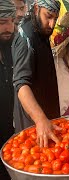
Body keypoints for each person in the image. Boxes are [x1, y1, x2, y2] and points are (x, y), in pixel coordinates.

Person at [12, 0, 61, 148]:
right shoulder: (26, 38)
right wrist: (40, 119)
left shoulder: (39, 31)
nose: (52, 24)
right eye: (48, 16)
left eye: (55, 19)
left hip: (47, 120)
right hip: (33, 126)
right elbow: (21, 85)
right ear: (36, 9)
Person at [0, 1, 16, 178]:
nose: (9, 28)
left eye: (12, 21)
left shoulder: (13, 50)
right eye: (2, 22)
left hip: (12, 136)